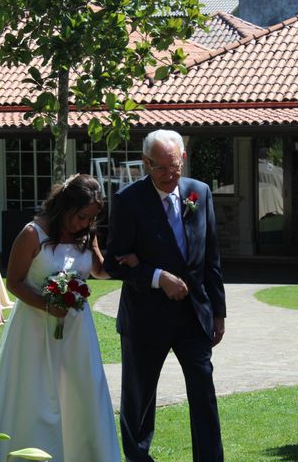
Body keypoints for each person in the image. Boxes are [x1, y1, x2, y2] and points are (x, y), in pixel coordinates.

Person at [0, 173, 135, 462]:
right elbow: (13, 282)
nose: (85, 224)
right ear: (64, 206)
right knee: (37, 394)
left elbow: (99, 270)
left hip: (77, 331)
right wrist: (46, 304)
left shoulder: (87, 234)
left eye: (90, 218)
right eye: (80, 216)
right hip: (35, 329)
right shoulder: (32, 234)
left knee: (82, 390)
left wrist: (125, 263)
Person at [104, 129, 226, 462]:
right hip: (146, 318)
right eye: (161, 168)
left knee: (204, 394)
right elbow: (114, 263)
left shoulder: (198, 193)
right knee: (139, 401)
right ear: (146, 163)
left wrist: (218, 312)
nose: (170, 175)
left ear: (182, 159)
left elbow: (211, 257)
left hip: (194, 316)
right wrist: (157, 276)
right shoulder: (128, 201)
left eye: (175, 167)